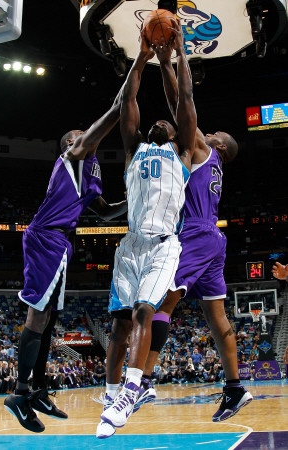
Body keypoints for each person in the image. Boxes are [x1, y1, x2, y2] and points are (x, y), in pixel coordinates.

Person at [138, 31, 253, 422]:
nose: (209, 132)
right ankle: (235, 389)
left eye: (215, 134)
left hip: (197, 233)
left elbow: (181, 103)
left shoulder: (205, 150)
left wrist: (173, 58)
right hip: (213, 237)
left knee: (160, 300)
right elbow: (179, 110)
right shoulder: (212, 162)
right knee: (216, 317)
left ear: (220, 146)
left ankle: (144, 379)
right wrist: (167, 63)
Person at [4, 86, 128, 433]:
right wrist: (134, 73)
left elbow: (104, 214)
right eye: (77, 137)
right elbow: (116, 110)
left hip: (60, 243)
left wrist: (135, 199)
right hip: (46, 237)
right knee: (37, 316)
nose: (83, 138)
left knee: (49, 318)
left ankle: (39, 389)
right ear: (70, 146)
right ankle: (20, 393)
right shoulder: (73, 158)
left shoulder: (90, 171)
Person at [97, 22, 196, 438]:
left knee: (143, 312)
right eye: (157, 122)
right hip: (129, 245)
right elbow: (128, 101)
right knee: (121, 326)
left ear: (176, 136)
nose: (161, 121)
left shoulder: (184, 151)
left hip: (161, 245)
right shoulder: (136, 149)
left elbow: (185, 99)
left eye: (167, 123)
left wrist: (172, 58)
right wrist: (140, 55)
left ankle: (132, 391)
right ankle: (111, 391)